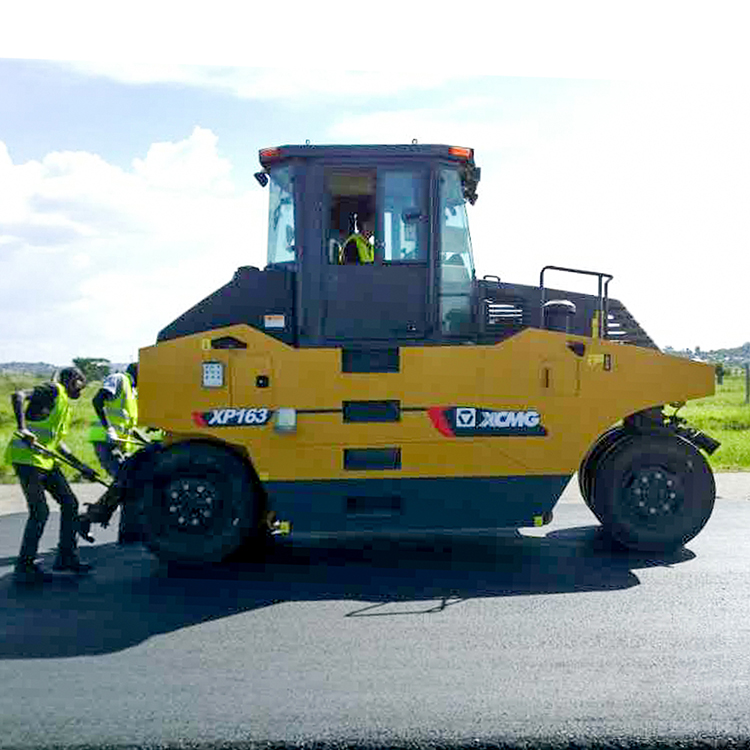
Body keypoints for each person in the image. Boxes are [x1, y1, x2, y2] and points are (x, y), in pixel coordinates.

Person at [4, 366, 95, 584]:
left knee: (70, 503)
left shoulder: (63, 404)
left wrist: (81, 466)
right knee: (40, 511)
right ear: (72, 379)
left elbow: (56, 442)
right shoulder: (53, 389)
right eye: (81, 383)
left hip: (46, 460)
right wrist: (23, 428)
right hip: (27, 459)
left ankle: (66, 557)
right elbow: (18, 395)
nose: (81, 390)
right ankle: (24, 568)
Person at [86, 362, 144, 543]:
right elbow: (97, 400)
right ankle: (88, 518)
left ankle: (127, 534)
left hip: (118, 444)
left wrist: (145, 441)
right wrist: (108, 428)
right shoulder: (118, 379)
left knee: (131, 483)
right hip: (105, 441)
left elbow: (127, 423)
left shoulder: (132, 391)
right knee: (125, 481)